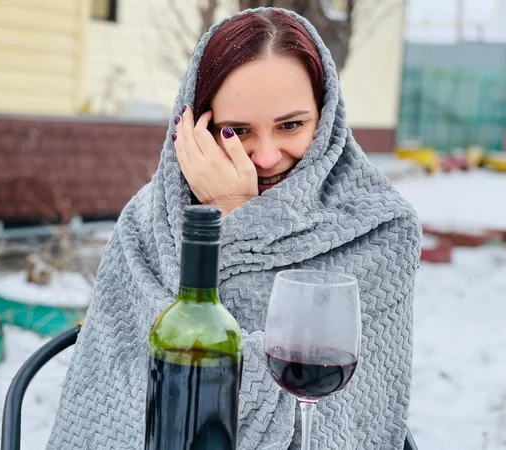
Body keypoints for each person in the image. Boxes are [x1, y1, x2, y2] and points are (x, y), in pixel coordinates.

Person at [46, 7, 421, 450]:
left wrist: (235, 215)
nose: (265, 157)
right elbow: (122, 399)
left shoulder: (379, 229)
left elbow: (343, 423)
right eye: (236, 131)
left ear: (327, 118)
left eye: (292, 125)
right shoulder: (148, 224)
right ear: (195, 126)